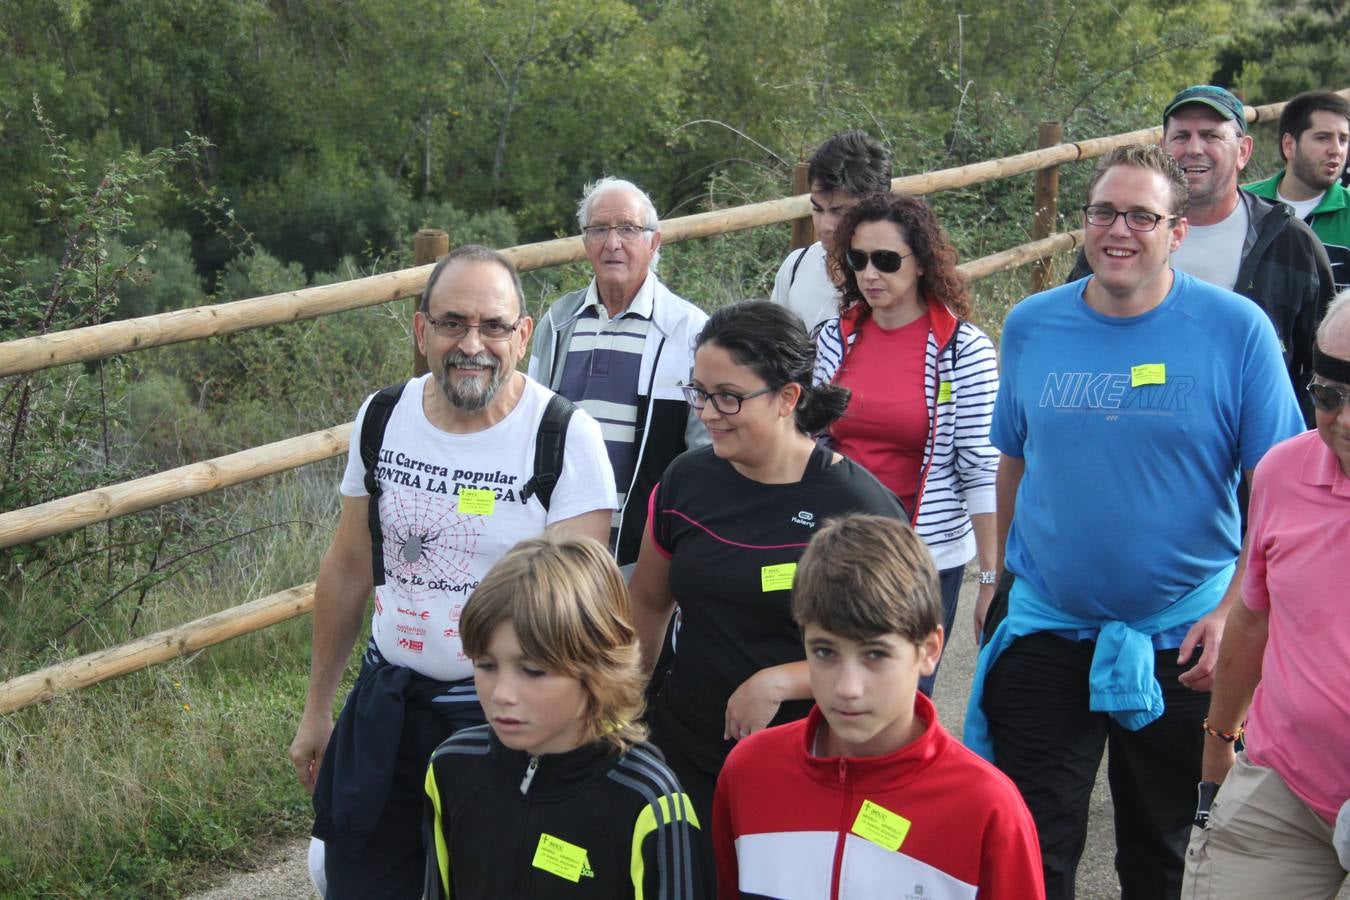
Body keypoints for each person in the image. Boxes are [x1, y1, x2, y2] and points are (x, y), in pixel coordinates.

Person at [966, 145, 1305, 900]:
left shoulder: (1236, 330)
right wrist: (996, 578)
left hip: (1183, 639)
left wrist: (1231, 612)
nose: (1120, 231)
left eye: (1143, 216)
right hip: (1049, 625)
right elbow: (1012, 459)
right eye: (1104, 213)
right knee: (1029, 845)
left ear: (1176, 233)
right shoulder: (1031, 326)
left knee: (1161, 852)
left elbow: (1278, 488)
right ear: (1083, 224)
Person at [288, 245, 616, 899]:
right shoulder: (383, 417)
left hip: (503, 727)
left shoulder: (563, 437)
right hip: (387, 709)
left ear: (523, 336)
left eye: (493, 326)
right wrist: (317, 709)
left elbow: (581, 622)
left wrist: (575, 759)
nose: (472, 344)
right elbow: (350, 565)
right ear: (421, 330)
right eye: (452, 323)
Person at [628, 300, 908, 830]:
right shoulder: (686, 481)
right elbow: (646, 603)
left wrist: (780, 681)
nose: (707, 413)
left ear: (788, 398)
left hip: (810, 760)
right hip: (685, 749)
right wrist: (622, 709)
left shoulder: (859, 509)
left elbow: (898, 657)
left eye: (728, 398)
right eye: (700, 393)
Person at [713, 514, 1045, 900]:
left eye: (875, 654)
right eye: (824, 652)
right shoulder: (749, 772)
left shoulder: (987, 810)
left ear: (930, 650)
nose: (848, 688)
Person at [423, 534, 711, 899]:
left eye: (532, 670)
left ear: (597, 665)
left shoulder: (649, 801)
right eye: (486, 665)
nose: (502, 694)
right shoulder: (450, 767)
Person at [1182, 290, 1350, 899]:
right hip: (1285, 787)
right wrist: (1220, 741)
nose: (1346, 420)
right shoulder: (1284, 471)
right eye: (1330, 398)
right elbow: (1253, 618)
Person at [814, 193, 998, 695]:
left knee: (899, 700)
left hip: (923, 558)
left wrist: (991, 578)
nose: (870, 274)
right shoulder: (834, 338)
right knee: (832, 693)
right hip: (836, 547)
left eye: (886, 260)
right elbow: (812, 441)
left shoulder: (965, 350)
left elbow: (981, 468)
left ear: (921, 263)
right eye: (858, 260)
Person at [1068, 84, 1333, 423]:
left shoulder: (1290, 243)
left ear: (1243, 151)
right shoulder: (1121, 237)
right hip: (1131, 439)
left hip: (1255, 453)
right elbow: (1076, 330)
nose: (1194, 149)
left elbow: (1321, 366)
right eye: (1181, 137)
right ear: (1163, 149)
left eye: (1210, 136)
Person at [530, 177, 709, 567]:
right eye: (599, 230)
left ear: (653, 242)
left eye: (627, 229)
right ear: (585, 244)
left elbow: (704, 451)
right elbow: (531, 429)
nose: (612, 243)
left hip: (647, 553)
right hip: (562, 550)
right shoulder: (558, 323)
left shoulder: (689, 331)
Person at [771, 131, 892, 332]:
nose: (825, 225)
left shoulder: (896, 279)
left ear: (877, 205)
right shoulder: (796, 266)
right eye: (817, 209)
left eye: (840, 211)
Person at [1245, 90, 1350, 295]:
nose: (1336, 150)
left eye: (1344, 139)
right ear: (1289, 145)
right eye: (1323, 138)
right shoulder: (1243, 202)